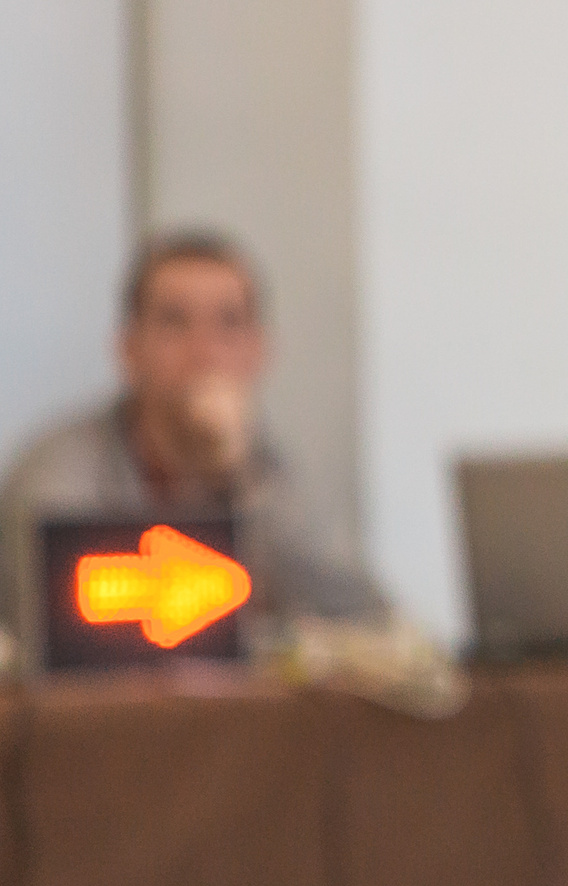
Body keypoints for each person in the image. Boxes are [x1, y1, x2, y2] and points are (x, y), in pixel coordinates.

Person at [0, 230, 386, 651]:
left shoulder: (269, 469)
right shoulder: (58, 471)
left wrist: (238, 476)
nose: (204, 351)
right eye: (174, 322)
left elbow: (361, 616)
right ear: (129, 349)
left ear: (260, 350)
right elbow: (43, 630)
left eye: (229, 323)